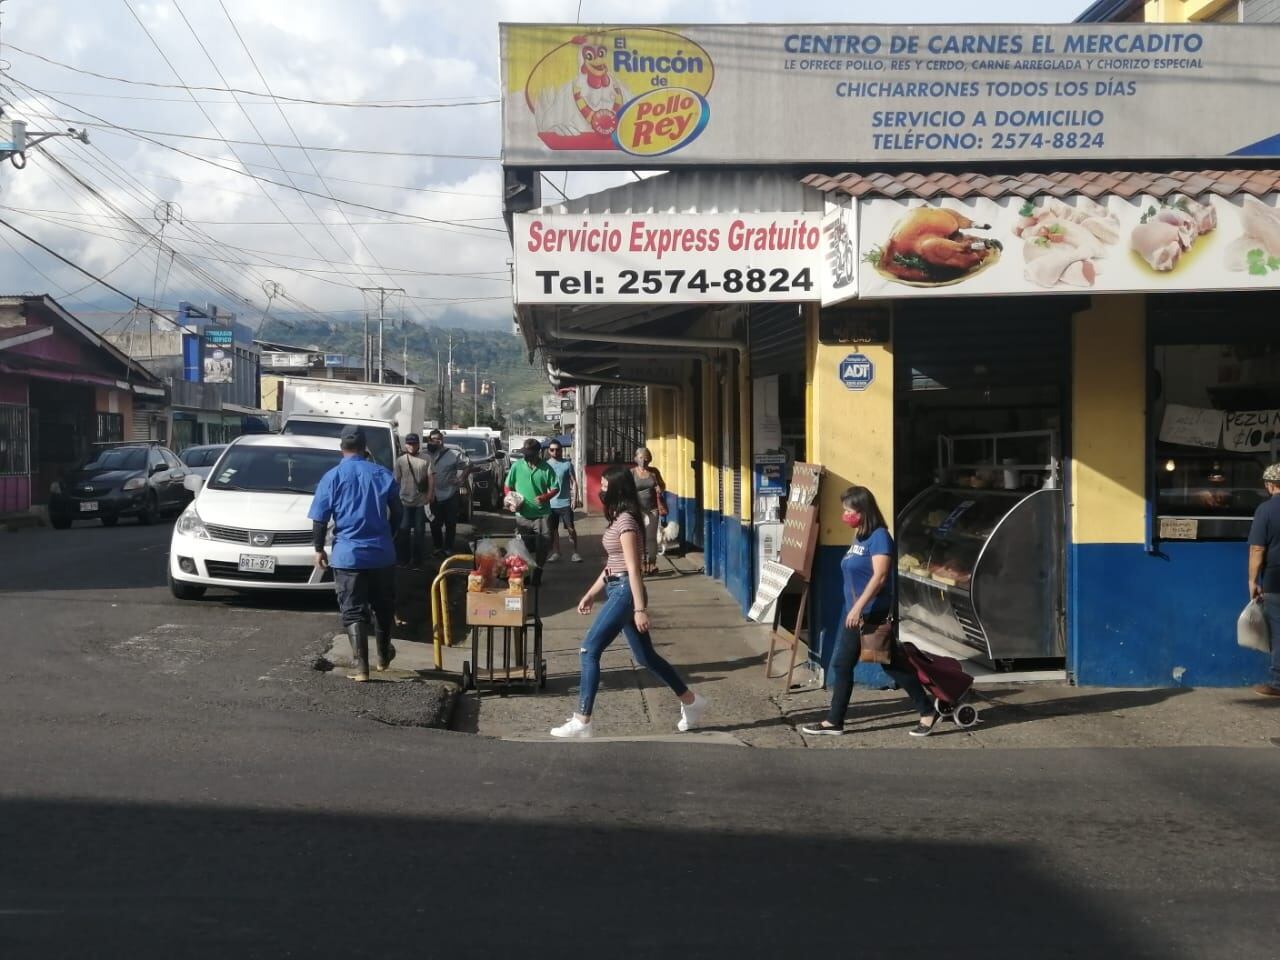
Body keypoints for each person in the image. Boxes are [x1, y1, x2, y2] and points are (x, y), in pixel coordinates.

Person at [550, 466, 707, 739]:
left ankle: (583, 719)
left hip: (625, 593)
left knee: (589, 650)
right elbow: (612, 565)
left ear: (618, 489)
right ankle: (691, 701)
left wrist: (639, 609)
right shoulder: (617, 519)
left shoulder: (627, 522)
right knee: (646, 657)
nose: (601, 490)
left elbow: (633, 569)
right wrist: (590, 593)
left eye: (605, 486)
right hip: (616, 589)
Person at [800, 485, 939, 738]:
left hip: (870, 612)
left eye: (848, 510)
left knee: (877, 665)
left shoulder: (880, 537)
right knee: (874, 665)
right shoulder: (860, 537)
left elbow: (880, 576)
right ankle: (837, 721)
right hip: (855, 613)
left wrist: (858, 607)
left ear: (863, 511)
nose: (845, 515)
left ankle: (926, 711)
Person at [309, 427, 402, 682]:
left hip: (348, 556)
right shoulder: (382, 473)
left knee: (353, 610)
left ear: (342, 448)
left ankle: (361, 667)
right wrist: (388, 536)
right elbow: (398, 512)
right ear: (365, 447)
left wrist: (318, 549)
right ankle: (383, 657)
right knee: (383, 608)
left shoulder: (332, 476)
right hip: (382, 554)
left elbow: (320, 519)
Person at [1248, 462, 1280, 697]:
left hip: (1276, 579)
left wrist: (1253, 580)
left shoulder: (1266, 510)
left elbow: (1257, 549)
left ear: (1270, 485)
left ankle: (1278, 683)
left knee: (1279, 632)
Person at [505, 438, 559, 573]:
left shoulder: (546, 468)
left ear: (538, 453)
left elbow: (555, 488)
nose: (526, 457)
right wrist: (511, 498)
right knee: (522, 546)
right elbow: (507, 486)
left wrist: (545, 497)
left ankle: (538, 571)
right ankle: (523, 573)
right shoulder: (517, 466)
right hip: (522, 515)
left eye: (529, 454)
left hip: (542, 515)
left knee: (543, 546)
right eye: (525, 454)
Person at [424, 429, 471, 556]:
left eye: (438, 439)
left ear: (442, 441)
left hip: (450, 494)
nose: (436, 442)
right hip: (433, 495)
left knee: (450, 523)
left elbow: (468, 465)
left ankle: (448, 548)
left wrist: (460, 479)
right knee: (434, 523)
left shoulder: (453, 454)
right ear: (429, 440)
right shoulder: (424, 455)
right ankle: (437, 547)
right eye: (433, 439)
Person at [393, 433, 433, 568]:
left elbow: (431, 478)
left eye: (414, 443)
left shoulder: (426, 458)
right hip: (404, 500)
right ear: (405, 445)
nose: (411, 446)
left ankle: (417, 561)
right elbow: (396, 480)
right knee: (403, 531)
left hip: (420, 501)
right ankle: (403, 560)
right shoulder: (400, 460)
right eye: (409, 443)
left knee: (419, 532)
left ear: (418, 444)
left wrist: (430, 494)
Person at [630, 446, 666, 575]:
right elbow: (626, 490)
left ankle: (652, 563)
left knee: (651, 537)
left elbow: (662, 485)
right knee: (639, 537)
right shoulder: (632, 473)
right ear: (635, 458)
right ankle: (641, 563)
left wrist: (659, 487)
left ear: (650, 459)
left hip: (652, 509)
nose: (643, 461)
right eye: (641, 458)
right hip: (637, 510)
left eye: (646, 458)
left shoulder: (654, 472)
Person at [545, 440, 581, 563]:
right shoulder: (546, 465)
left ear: (561, 450)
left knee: (571, 528)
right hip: (551, 503)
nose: (555, 452)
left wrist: (575, 499)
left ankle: (575, 552)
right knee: (554, 530)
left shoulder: (567, 464)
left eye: (558, 449)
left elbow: (574, 482)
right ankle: (556, 552)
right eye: (552, 449)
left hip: (565, 502)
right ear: (549, 451)